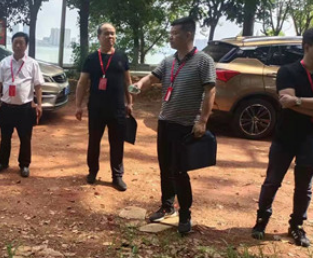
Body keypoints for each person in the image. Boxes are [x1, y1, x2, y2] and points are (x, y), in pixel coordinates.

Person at [251, 27, 313, 247]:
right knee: (272, 181)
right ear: (307, 47)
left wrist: (299, 102)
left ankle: (297, 226)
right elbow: (285, 102)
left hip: (312, 139)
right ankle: (261, 220)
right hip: (286, 136)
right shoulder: (288, 71)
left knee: (304, 186)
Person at [133, 17, 216, 235]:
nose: (170, 37)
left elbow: (210, 91)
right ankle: (167, 206)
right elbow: (151, 78)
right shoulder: (168, 61)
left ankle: (185, 213)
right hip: (165, 122)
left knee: (179, 170)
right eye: (170, 33)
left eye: (175, 34)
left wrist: (203, 120)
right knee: (165, 167)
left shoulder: (204, 61)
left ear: (188, 35)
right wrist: (139, 85)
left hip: (185, 125)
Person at [75, 23, 132, 191]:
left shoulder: (122, 57)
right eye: (106, 33)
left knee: (117, 143)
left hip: (117, 109)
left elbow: (128, 81)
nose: (110, 36)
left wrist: (130, 102)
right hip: (96, 108)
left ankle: (117, 176)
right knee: (94, 141)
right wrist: (78, 105)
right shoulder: (91, 59)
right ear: (99, 37)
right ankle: (92, 171)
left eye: (113, 33)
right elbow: (82, 82)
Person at [0, 32, 43, 177]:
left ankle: (24, 165)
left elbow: (38, 86)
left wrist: (39, 104)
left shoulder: (32, 63)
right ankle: (3, 162)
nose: (18, 45)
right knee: (5, 137)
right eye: (15, 42)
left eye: (21, 43)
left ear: (26, 45)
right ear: (12, 44)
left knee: (25, 138)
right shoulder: (5, 62)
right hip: (6, 107)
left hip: (25, 108)